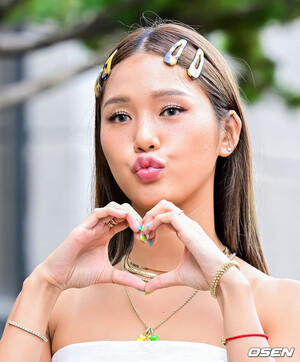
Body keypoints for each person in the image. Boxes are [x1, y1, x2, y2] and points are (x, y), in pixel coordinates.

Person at [0, 18, 300, 362]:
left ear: (228, 134)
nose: (143, 137)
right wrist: (44, 283)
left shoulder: (284, 306)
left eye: (171, 110)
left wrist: (230, 289)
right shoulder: (57, 305)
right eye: (119, 117)